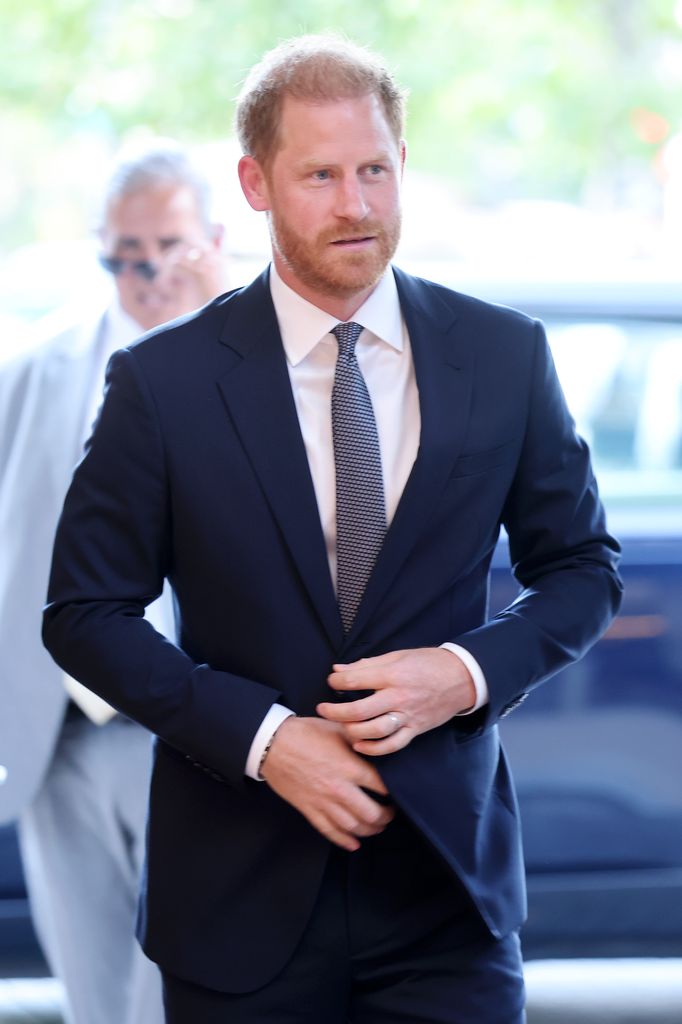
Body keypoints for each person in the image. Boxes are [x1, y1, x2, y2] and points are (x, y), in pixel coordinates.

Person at [42, 36, 622, 1024]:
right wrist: (266, 740)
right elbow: (85, 614)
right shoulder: (163, 383)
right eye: (319, 174)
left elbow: (579, 569)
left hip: (446, 896)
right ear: (255, 184)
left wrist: (467, 671)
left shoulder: (502, 353)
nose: (355, 204)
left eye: (375, 170)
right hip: (234, 897)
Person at [0, 139, 227, 1024]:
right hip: (52, 728)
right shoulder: (35, 367)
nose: (149, 271)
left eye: (170, 247)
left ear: (213, 237)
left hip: (193, 721)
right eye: (125, 253)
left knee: (179, 982)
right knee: (92, 991)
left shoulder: (259, 359)